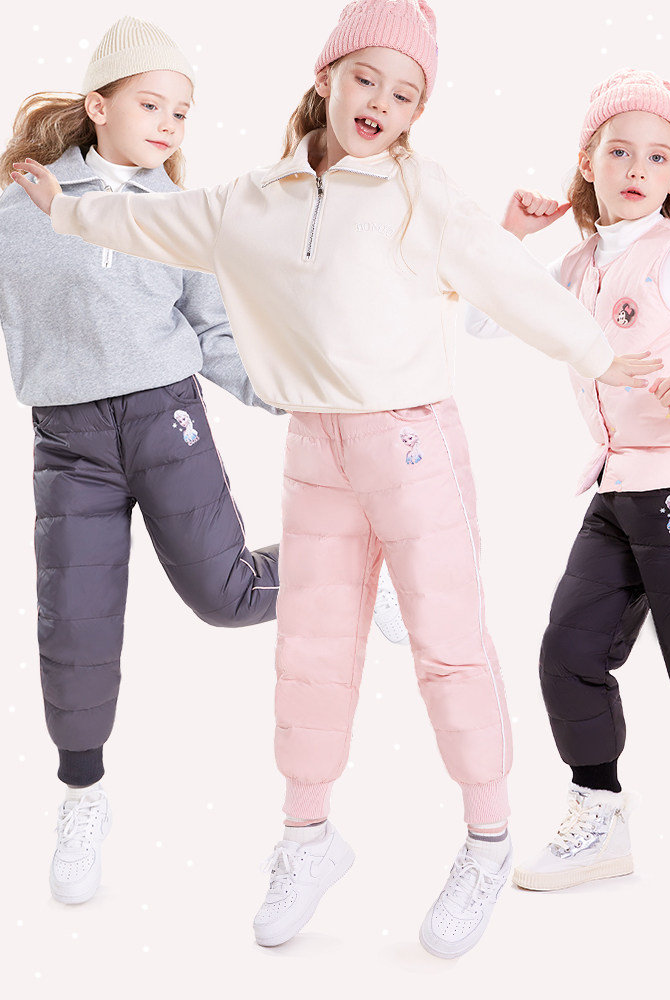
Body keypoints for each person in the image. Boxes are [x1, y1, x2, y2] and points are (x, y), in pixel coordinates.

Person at [12, 4, 658, 956]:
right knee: (311, 650)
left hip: (411, 443)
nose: (381, 103)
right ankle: (307, 838)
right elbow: (154, 222)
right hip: (315, 447)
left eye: (406, 94)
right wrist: (66, 210)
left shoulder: (419, 192)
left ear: (417, 112)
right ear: (327, 78)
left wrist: (600, 356)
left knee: (448, 647)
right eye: (366, 78)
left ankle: (487, 842)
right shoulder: (256, 198)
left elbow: (503, 279)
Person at [0, 16, 283, 906]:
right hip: (68, 442)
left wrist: (282, 395)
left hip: (167, 421)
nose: (169, 124)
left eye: (182, 112)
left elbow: (215, 329)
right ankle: (82, 799)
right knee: (74, 629)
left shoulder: (179, 215)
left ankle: (347, 566)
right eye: (151, 104)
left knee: (226, 597)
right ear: (98, 106)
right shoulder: (20, 205)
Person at [467, 69, 670, 893]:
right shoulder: (579, 262)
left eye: (657, 156)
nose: (636, 167)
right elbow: (483, 322)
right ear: (587, 162)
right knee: (569, 655)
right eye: (619, 150)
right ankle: (599, 818)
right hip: (619, 489)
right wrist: (509, 238)